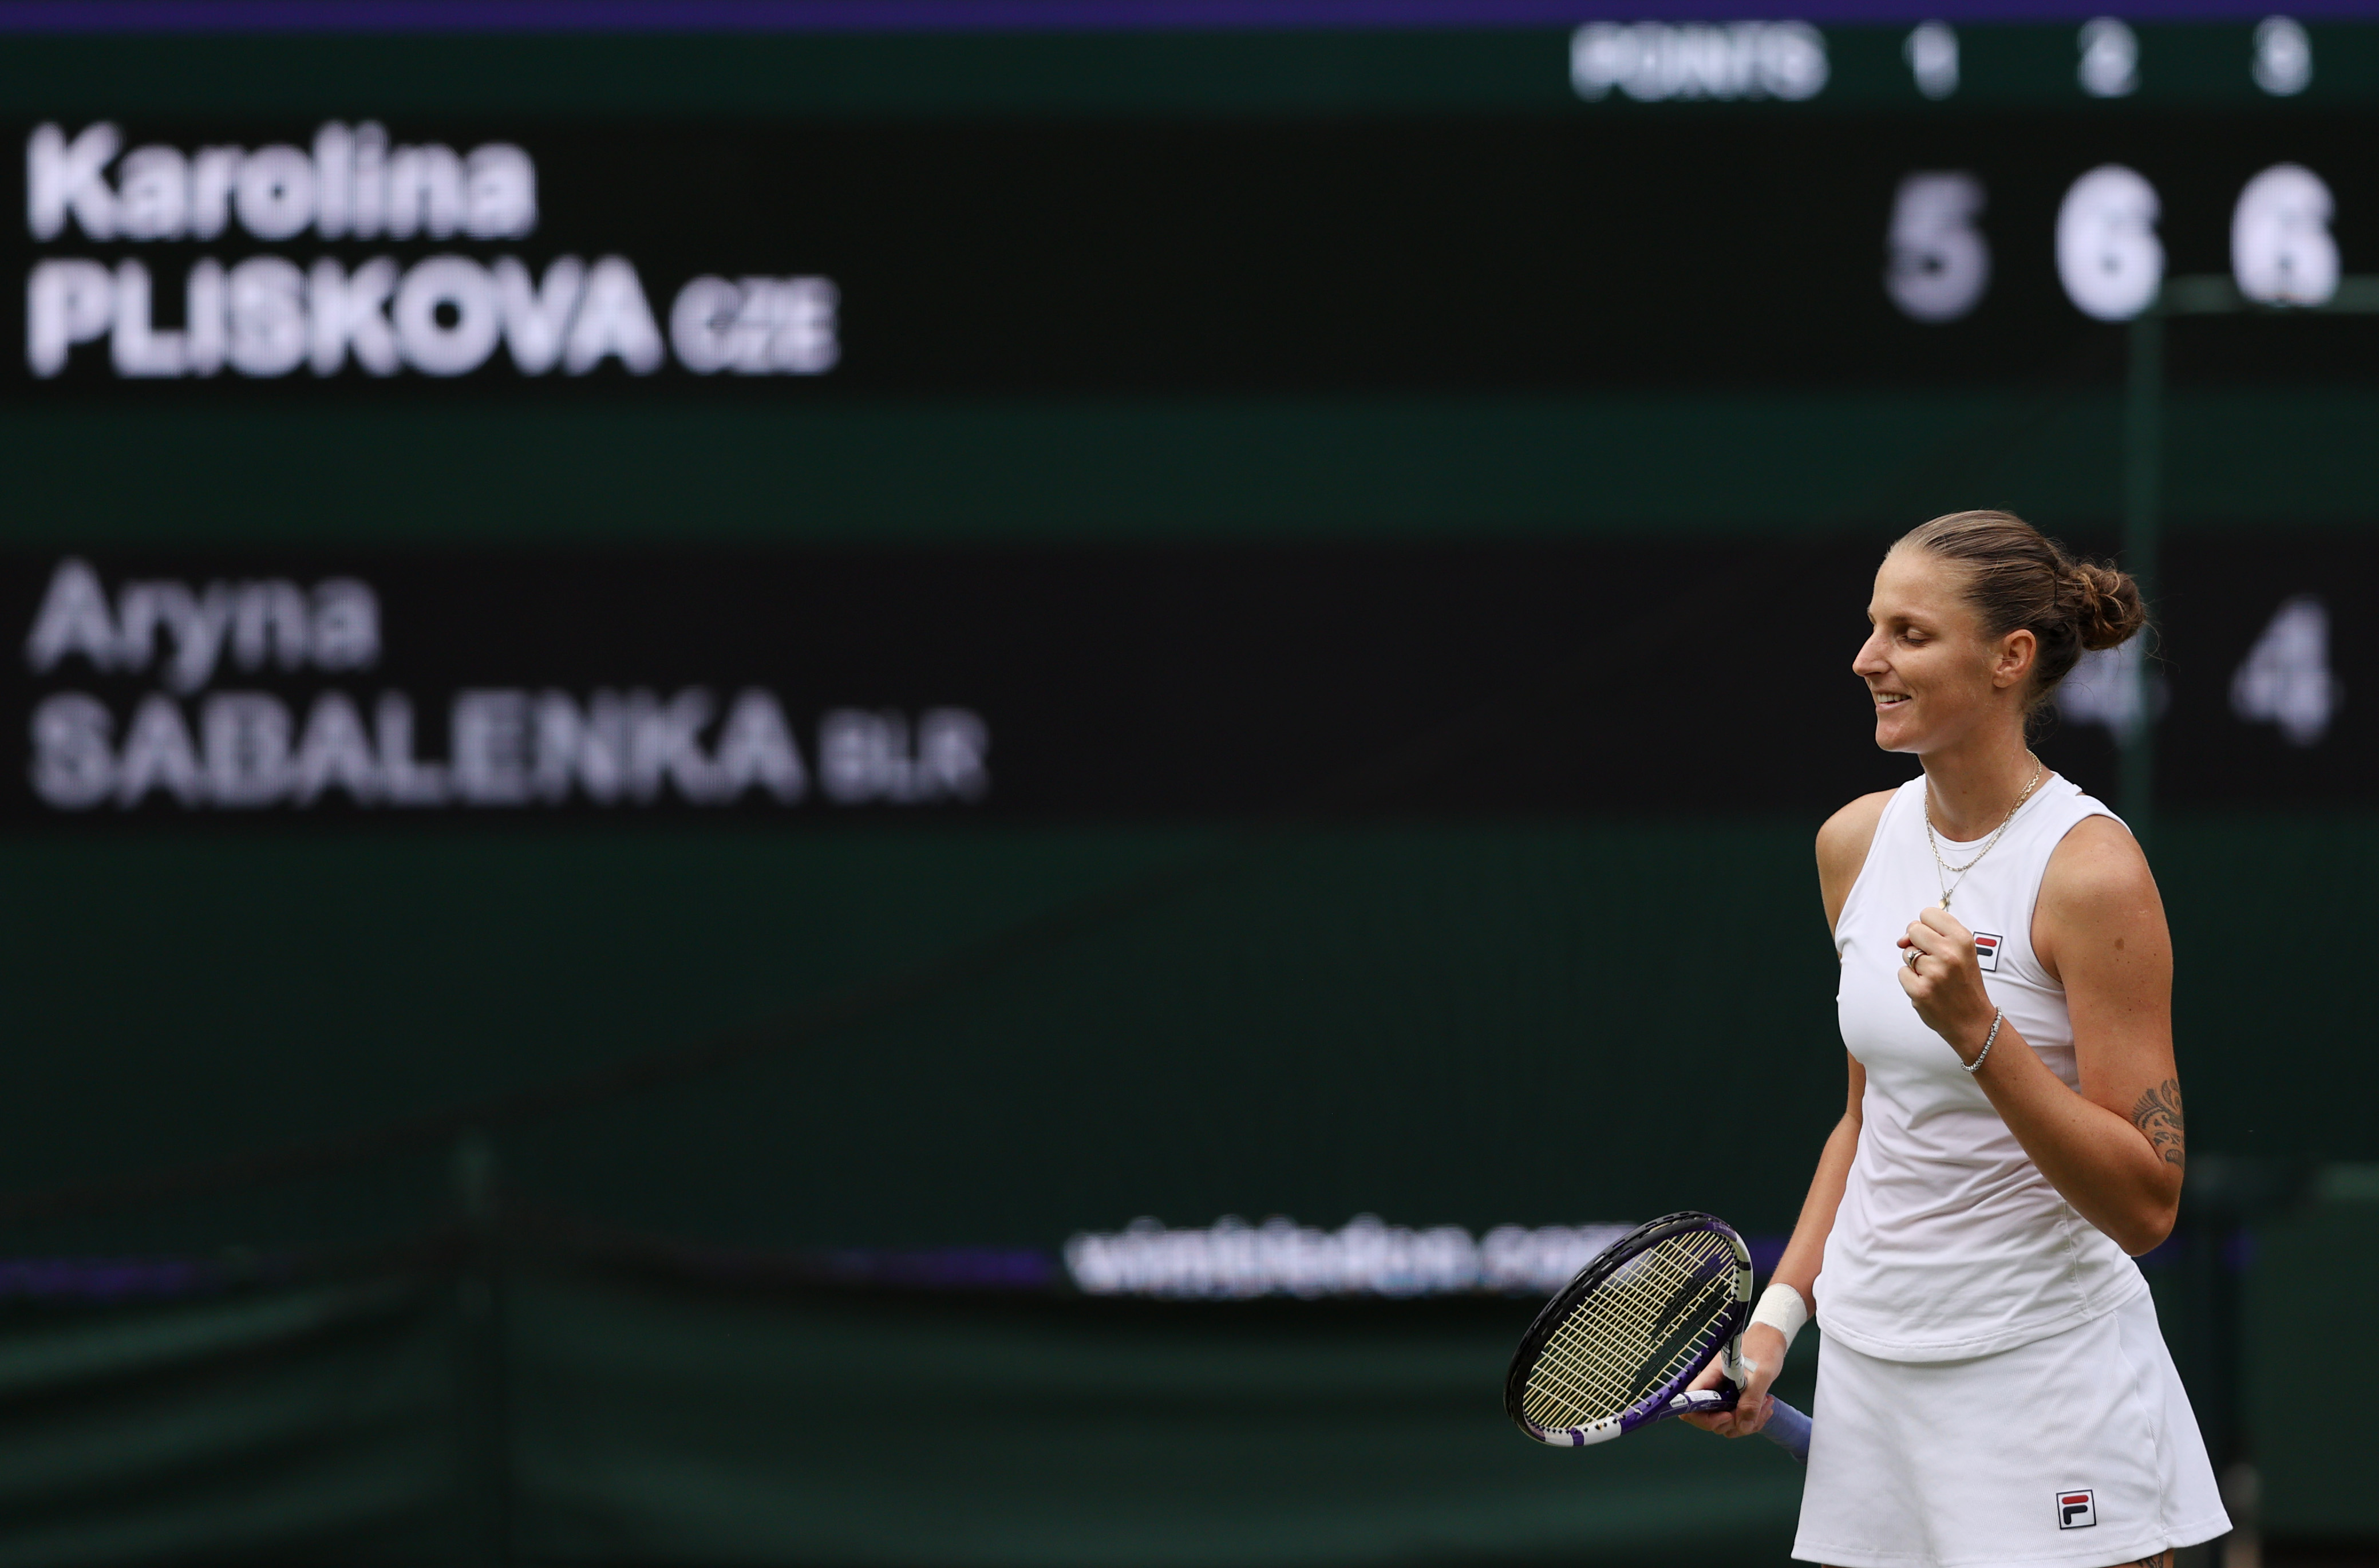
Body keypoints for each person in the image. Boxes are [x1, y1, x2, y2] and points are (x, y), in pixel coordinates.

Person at [1683, 511, 2228, 1568]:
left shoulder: (2089, 871)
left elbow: (2147, 1202)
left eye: (1909, 634)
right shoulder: (1853, 844)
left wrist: (1983, 1035)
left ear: (2008, 660)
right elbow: (1863, 1123)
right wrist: (1774, 1328)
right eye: (1871, 626)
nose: (1867, 659)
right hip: (1872, 1372)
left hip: (2045, 1371)